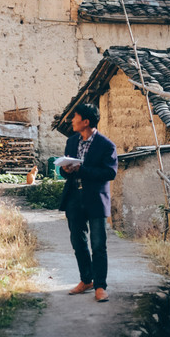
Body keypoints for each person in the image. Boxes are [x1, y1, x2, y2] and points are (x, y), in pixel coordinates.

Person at [58, 101, 118, 302]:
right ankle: (86, 280)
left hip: (96, 199)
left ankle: (100, 286)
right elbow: (65, 167)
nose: (72, 121)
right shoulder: (72, 141)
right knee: (78, 241)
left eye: (75, 117)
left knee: (98, 244)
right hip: (74, 197)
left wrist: (81, 170)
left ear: (85, 121)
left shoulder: (106, 145)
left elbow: (110, 172)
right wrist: (64, 170)